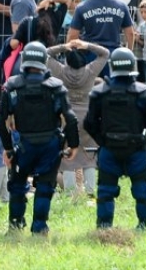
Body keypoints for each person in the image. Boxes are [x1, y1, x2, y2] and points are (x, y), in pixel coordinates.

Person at [0, 42, 79, 235]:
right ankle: (39, 227)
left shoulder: (12, 86)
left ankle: (15, 225)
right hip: (50, 144)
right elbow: (71, 118)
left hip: (23, 144)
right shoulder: (56, 87)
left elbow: (1, 121)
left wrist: (8, 148)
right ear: (44, 61)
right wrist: (73, 144)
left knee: (17, 185)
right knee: (45, 185)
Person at [84, 48, 146, 230]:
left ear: (111, 67)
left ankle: (104, 227)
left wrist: (102, 141)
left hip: (109, 149)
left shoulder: (98, 93)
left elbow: (89, 123)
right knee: (143, 191)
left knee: (105, 192)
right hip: (136, 149)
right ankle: (145, 226)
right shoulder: (143, 93)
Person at [46, 39, 109, 196]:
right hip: (87, 117)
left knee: (67, 156)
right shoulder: (90, 71)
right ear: (83, 61)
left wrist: (63, 46)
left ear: (67, 61)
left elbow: (44, 53)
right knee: (89, 156)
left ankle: (69, 193)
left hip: (66, 118)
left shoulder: (60, 71)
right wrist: (86, 45)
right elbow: (105, 53)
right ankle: (90, 192)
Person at [68, 0, 134, 77]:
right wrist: (128, 52)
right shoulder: (121, 6)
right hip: (113, 55)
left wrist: (71, 56)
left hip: (90, 55)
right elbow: (130, 33)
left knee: (91, 89)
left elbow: (72, 36)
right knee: (112, 90)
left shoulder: (82, 7)